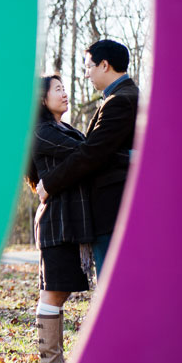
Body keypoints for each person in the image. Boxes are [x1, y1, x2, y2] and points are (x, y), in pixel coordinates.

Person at [37, 40, 139, 276]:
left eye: (89, 67)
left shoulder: (121, 101)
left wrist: (50, 183)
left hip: (113, 209)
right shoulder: (120, 97)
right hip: (112, 209)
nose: (86, 75)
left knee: (114, 284)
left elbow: (91, 154)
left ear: (104, 65)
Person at [27, 74, 95, 363]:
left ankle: (55, 362)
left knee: (62, 290)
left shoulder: (62, 127)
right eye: (58, 90)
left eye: (65, 88)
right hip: (57, 219)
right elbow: (86, 154)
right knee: (53, 292)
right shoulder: (41, 131)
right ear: (43, 99)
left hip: (71, 218)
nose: (65, 94)